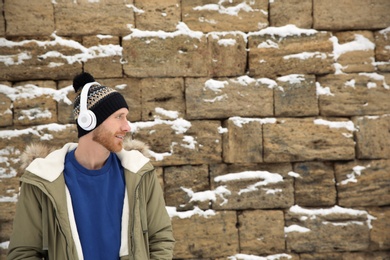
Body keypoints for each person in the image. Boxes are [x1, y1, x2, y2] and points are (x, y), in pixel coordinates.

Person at [7, 72, 175, 260]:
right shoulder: (42, 180)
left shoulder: (139, 173)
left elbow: (160, 238)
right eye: (119, 116)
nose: (127, 127)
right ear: (89, 121)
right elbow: (23, 253)